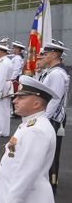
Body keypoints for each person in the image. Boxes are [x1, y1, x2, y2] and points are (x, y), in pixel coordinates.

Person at [37, 41, 68, 188]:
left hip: (53, 118)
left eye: (45, 54)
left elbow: (54, 100)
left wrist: (44, 118)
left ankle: (52, 181)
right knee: (45, 150)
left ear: (54, 55)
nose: (42, 56)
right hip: (48, 117)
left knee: (52, 151)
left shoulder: (57, 74)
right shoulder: (52, 72)